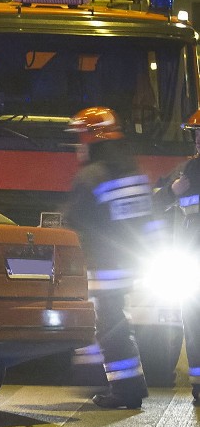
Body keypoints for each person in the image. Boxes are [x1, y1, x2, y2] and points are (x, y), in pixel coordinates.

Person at [63, 107, 155, 409]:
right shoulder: (133, 172)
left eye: (80, 138)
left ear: (91, 139)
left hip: (105, 266)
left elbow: (75, 221)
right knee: (117, 325)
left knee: (111, 328)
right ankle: (131, 385)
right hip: (131, 263)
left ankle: (126, 390)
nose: (79, 145)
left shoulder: (92, 175)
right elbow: (146, 219)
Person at [158, 113, 200, 404]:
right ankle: (199, 386)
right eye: (196, 133)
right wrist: (171, 192)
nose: (198, 139)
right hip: (191, 265)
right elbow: (153, 202)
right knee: (194, 325)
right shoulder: (184, 171)